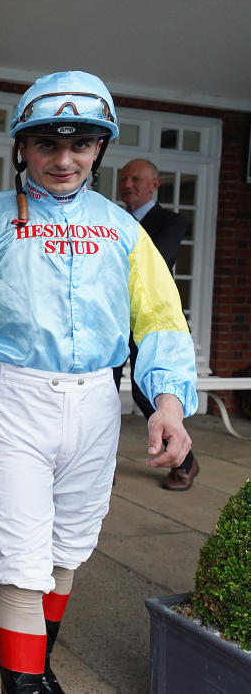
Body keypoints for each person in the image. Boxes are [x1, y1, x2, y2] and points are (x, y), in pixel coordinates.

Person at [0, 71, 197, 693]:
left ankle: (40, 666)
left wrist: (169, 405)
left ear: (99, 148)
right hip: (14, 400)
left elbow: (160, 317)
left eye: (80, 145)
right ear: (22, 147)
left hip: (96, 405)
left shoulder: (125, 229)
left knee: (65, 550)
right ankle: (23, 685)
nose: (64, 159)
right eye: (48, 144)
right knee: (24, 561)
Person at [114, 158, 197, 489]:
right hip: (111, 320)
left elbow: (157, 262)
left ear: (154, 184)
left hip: (149, 322)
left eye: (136, 178)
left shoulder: (171, 222)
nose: (128, 184)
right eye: (123, 179)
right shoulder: (113, 221)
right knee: (102, 392)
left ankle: (184, 459)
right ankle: (98, 465)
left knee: (143, 391)